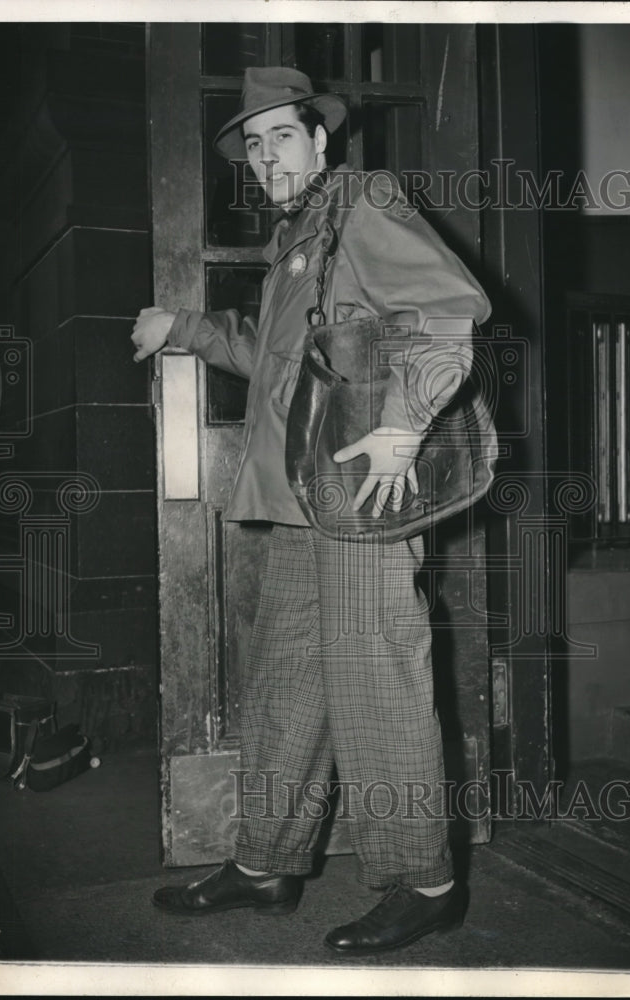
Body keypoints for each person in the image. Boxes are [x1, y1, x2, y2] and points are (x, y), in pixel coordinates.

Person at [131, 66, 493, 956]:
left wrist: (405, 427)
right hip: (300, 494)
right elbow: (277, 359)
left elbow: (450, 312)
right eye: (252, 146)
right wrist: (183, 329)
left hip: (362, 486)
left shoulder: (361, 200)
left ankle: (424, 881)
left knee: (377, 679)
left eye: (281, 136)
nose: (264, 157)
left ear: (321, 140)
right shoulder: (299, 235)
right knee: (286, 682)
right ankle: (267, 863)